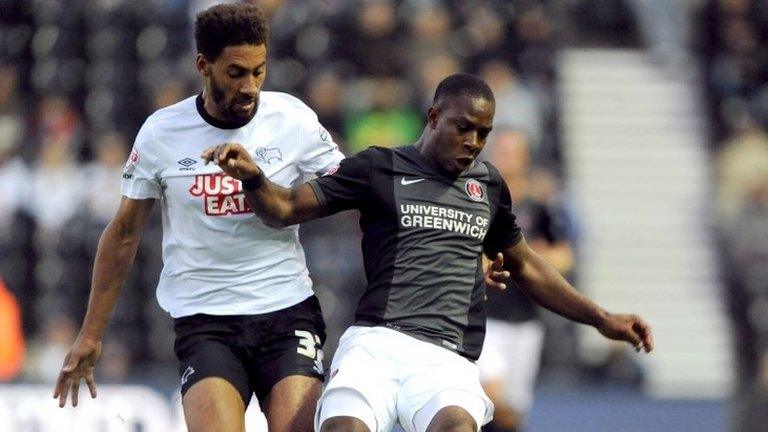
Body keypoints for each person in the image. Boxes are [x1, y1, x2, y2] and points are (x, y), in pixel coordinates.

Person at [202, 73, 654, 432]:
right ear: (434, 116)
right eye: (464, 128)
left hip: (446, 357)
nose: (474, 142)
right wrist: (254, 178)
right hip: (376, 344)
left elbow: (526, 264)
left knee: (457, 427)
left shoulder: (488, 186)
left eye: (484, 132)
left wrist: (601, 318)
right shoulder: (379, 167)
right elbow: (283, 209)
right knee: (343, 428)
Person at [52, 4, 344, 432]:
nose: (250, 87)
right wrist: (91, 334)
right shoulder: (162, 132)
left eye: (259, 71)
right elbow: (123, 235)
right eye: (236, 72)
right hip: (206, 321)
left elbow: (348, 185)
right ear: (203, 66)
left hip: (287, 311)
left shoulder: (292, 120)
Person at [478, 130, 575, 432]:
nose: (505, 156)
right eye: (500, 150)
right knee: (490, 399)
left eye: (512, 151)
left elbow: (564, 256)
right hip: (483, 319)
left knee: (512, 414)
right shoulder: (477, 202)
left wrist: (532, 258)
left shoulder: (540, 206)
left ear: (525, 158)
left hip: (525, 321)